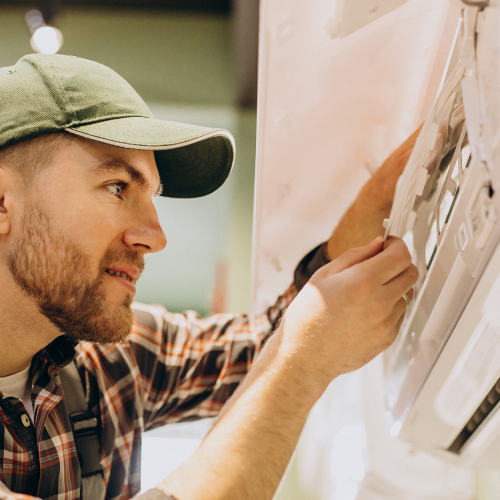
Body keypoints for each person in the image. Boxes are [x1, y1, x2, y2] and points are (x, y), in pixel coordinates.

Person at [0, 54, 418, 500]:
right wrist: (303, 367)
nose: (156, 238)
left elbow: (265, 344)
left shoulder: (108, 361)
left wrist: (378, 201)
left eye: (152, 197)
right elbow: (288, 353)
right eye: (118, 187)